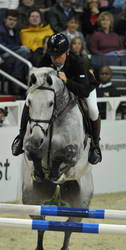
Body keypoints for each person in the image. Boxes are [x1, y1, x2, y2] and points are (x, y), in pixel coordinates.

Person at [11, 33, 102, 164]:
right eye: (53, 56)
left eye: (59, 56)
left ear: (67, 52)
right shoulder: (46, 59)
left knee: (93, 110)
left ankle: (95, 145)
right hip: (56, 92)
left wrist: (67, 81)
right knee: (29, 99)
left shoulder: (78, 62)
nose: (55, 59)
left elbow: (84, 91)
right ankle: (20, 137)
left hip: (84, 87)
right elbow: (38, 84)